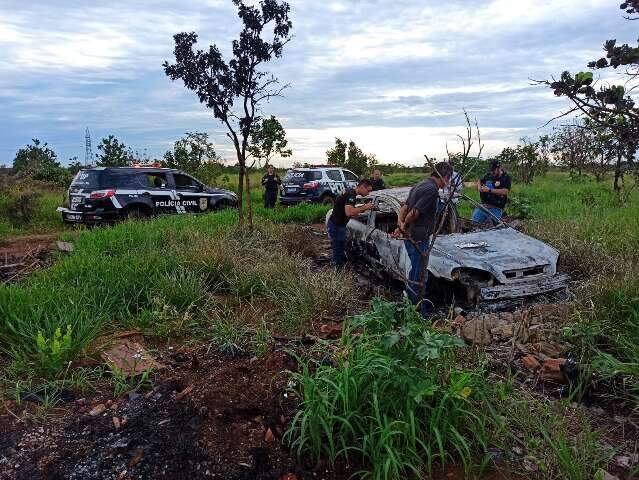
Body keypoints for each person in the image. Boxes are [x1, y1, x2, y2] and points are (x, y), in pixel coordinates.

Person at [393, 162, 453, 315]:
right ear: (446, 177)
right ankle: (420, 311)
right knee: (420, 274)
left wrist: (400, 226)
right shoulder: (432, 190)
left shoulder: (419, 185)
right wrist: (404, 225)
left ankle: (410, 303)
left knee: (415, 270)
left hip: (411, 236)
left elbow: (404, 208)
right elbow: (414, 212)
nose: (449, 182)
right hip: (419, 238)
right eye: (450, 179)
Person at [327, 179, 374, 268]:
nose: (368, 193)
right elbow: (349, 212)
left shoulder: (350, 192)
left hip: (337, 224)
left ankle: (339, 269)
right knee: (338, 251)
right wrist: (365, 207)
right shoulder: (350, 195)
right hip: (337, 226)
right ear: (362, 187)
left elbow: (346, 211)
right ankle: (337, 274)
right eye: (368, 190)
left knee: (339, 249)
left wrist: (359, 211)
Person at [471, 160, 511, 225]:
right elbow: (480, 181)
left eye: (493, 170)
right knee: (473, 223)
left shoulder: (506, 177)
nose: (492, 172)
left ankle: (500, 220)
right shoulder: (488, 175)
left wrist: (489, 190)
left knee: (490, 226)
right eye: (491, 170)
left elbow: (505, 191)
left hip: (496, 208)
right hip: (484, 206)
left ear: (499, 168)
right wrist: (479, 187)